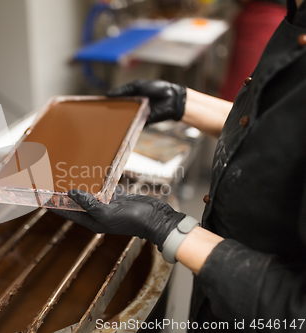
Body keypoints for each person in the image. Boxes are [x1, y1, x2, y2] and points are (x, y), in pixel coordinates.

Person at [55, 0, 306, 331]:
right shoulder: (297, 14)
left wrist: (166, 225)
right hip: (219, 295)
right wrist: (184, 103)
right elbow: (282, 133)